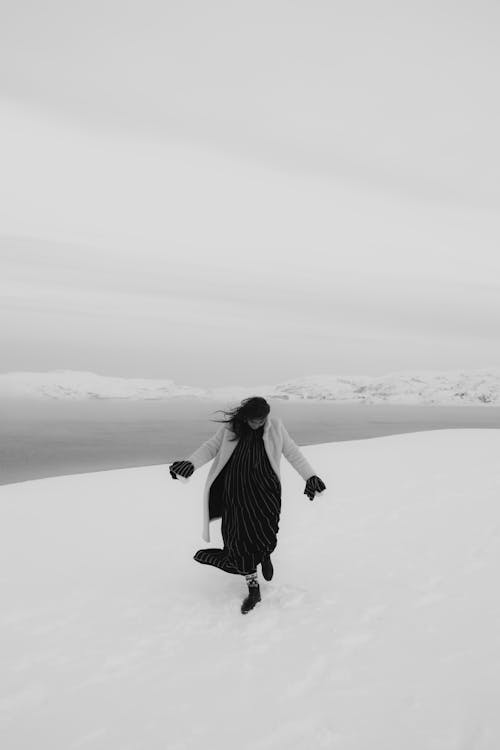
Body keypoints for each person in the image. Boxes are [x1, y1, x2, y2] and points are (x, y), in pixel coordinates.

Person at [169, 396, 326, 614]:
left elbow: (293, 453)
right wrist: (190, 464)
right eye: (253, 420)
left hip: (266, 494)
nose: (257, 424)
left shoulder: (276, 428)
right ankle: (253, 588)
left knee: (266, 533)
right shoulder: (231, 430)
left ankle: (264, 554)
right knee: (240, 542)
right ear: (245, 416)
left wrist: (310, 477)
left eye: (261, 420)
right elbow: (210, 448)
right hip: (236, 496)